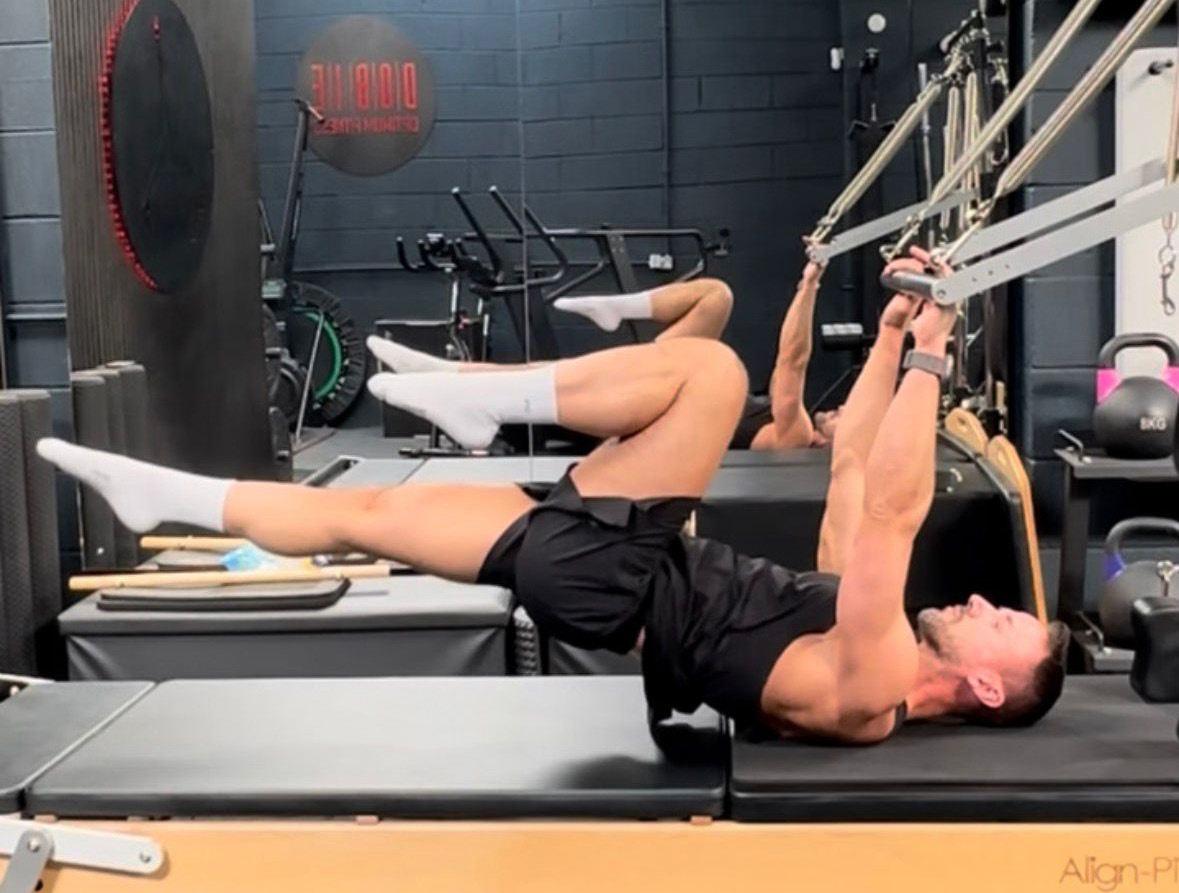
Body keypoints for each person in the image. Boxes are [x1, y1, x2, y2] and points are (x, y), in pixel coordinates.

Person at [39, 248, 1067, 743]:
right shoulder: (856, 636)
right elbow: (852, 479)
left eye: (1002, 621)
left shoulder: (873, 681)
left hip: (614, 574)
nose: (984, 600)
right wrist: (889, 339)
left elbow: (892, 509)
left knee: (711, 373)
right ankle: (167, 497)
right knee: (365, 515)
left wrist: (934, 354)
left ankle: (484, 397)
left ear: (985, 687)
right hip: (603, 575)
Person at [367, 266, 839, 452]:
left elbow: (792, 362)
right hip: (682, 383)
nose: (838, 409)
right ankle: (447, 374)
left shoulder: (794, 438)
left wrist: (809, 286)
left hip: (660, 410)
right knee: (716, 296)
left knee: (554, 373)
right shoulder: (790, 425)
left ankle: (451, 377)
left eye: (843, 416)